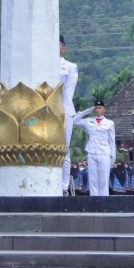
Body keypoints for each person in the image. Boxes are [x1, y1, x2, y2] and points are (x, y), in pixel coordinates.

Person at [73, 100, 116, 197]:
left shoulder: (109, 123)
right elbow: (74, 121)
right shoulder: (89, 121)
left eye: (100, 107)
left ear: (104, 110)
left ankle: (104, 201)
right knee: (93, 180)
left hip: (104, 153)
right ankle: (94, 200)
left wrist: (113, 157)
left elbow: (112, 140)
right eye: (96, 107)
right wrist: (87, 111)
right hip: (92, 152)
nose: (98, 109)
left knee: (104, 180)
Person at [58, 35, 78, 193]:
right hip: (44, 111)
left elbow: (68, 93)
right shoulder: (40, 66)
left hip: (64, 109)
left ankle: (64, 187)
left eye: (58, 44)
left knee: (63, 148)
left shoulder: (70, 67)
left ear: (63, 47)